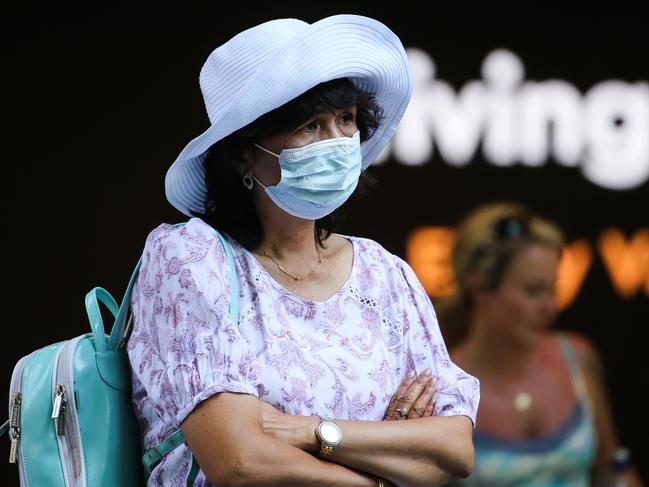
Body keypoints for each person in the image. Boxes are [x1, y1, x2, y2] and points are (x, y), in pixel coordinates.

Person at [127, 14, 480, 487]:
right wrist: (380, 465)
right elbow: (239, 462)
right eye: (310, 126)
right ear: (243, 154)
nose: (336, 142)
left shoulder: (385, 272)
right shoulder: (190, 257)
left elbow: (453, 450)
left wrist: (307, 431)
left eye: (346, 120)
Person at [437, 202, 644, 486]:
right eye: (533, 291)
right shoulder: (443, 386)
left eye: (553, 288)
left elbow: (612, 467)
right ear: (480, 286)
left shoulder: (577, 357)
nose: (551, 306)